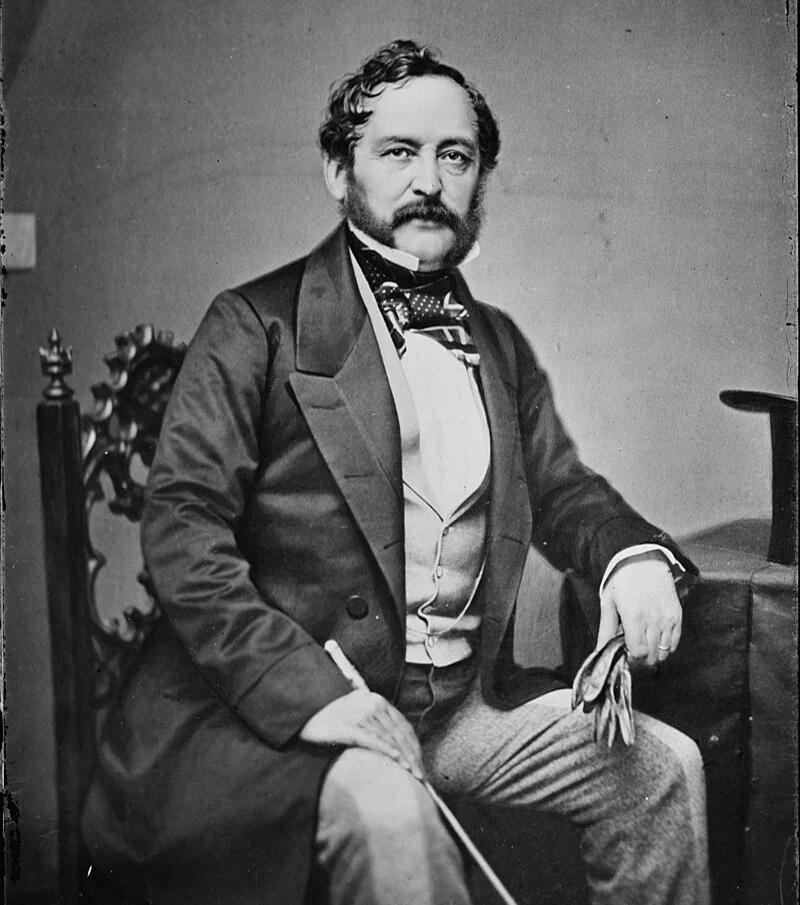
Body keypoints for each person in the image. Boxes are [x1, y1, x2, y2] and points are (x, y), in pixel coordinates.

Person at [83, 39, 710, 905]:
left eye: (455, 157)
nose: (430, 181)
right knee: (391, 823)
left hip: (455, 712)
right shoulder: (253, 326)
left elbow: (564, 488)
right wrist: (308, 696)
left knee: (660, 770)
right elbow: (181, 529)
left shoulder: (497, 344)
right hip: (280, 722)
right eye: (398, 152)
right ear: (338, 172)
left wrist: (630, 557)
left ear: (479, 181)